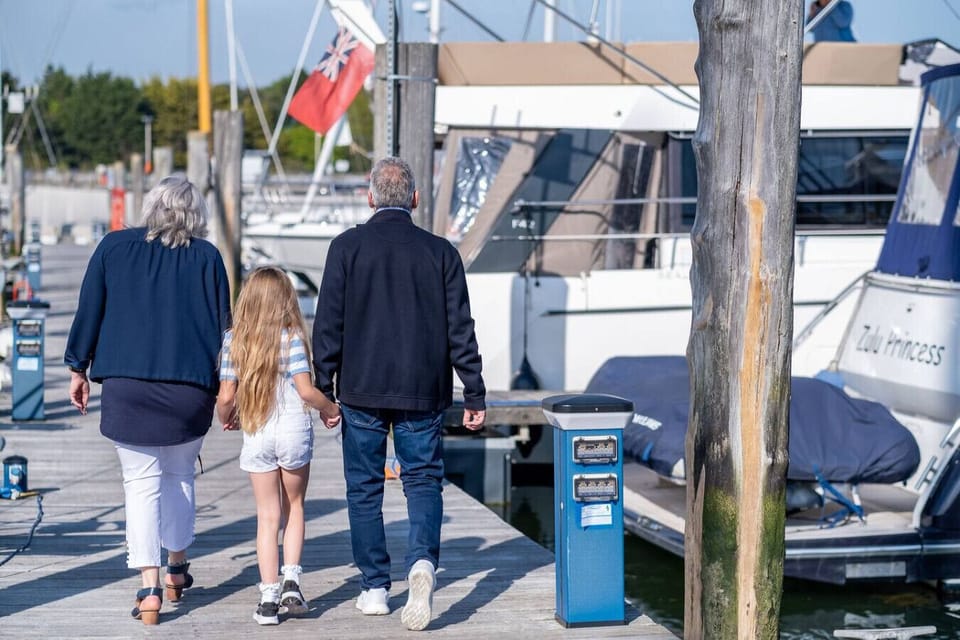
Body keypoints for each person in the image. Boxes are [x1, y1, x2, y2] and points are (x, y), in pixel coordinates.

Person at [312, 156, 486, 632]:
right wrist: (474, 391)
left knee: (364, 488)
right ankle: (423, 565)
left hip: (361, 389)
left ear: (370, 198)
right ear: (414, 199)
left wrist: (324, 388)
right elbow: (460, 330)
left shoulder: (345, 248)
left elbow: (328, 325)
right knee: (423, 482)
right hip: (423, 390)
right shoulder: (441, 253)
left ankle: (373, 588)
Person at [64, 174, 232, 625]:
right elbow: (225, 332)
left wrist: (77, 368)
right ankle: (177, 567)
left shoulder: (114, 248)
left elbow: (89, 310)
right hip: (190, 390)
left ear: (150, 207)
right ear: (196, 214)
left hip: (128, 386)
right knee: (179, 475)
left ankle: (150, 586)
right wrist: (229, 389)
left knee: (140, 485)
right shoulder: (208, 258)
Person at [215, 266, 341, 626]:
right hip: (292, 430)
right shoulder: (292, 338)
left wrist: (228, 416)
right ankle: (292, 583)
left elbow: (226, 396)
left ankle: (268, 599)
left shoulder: (233, 339)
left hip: (257, 431)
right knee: (295, 507)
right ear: (285, 300)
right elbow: (305, 390)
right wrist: (331, 409)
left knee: (268, 516)